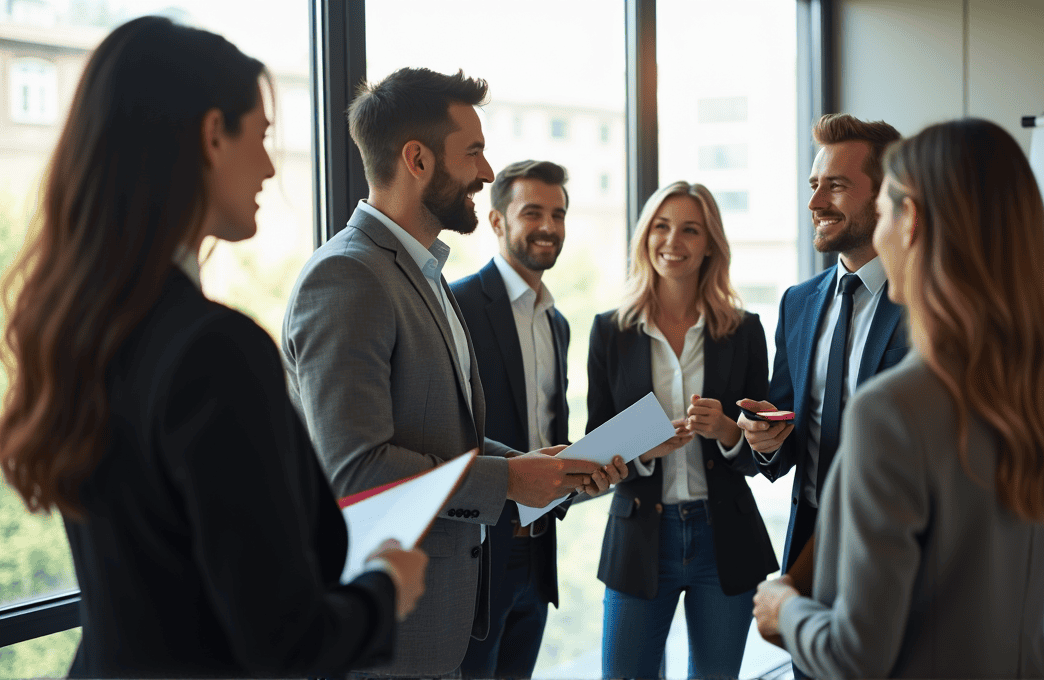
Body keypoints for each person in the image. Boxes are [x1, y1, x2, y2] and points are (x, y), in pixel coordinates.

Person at [0, 16, 426, 678]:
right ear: (211, 135)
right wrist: (385, 587)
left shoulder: (78, 330)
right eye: (259, 136)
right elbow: (287, 644)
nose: (266, 166)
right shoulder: (213, 353)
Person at [282, 69, 613, 677]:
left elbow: (443, 435)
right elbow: (356, 471)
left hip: (442, 623)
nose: (487, 173)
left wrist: (541, 468)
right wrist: (510, 481)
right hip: (387, 637)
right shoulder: (347, 277)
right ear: (417, 159)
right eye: (474, 151)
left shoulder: (425, 276)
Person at [752, 118, 1044, 678]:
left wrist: (783, 609)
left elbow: (856, 656)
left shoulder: (896, 410)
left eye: (884, 212)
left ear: (910, 222)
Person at [587, 181, 779, 680]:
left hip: (725, 539)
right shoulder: (610, 331)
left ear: (710, 242)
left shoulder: (743, 330)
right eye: (662, 226)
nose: (673, 241)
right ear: (645, 236)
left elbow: (765, 451)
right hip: (639, 536)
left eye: (690, 229)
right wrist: (642, 448)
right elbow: (594, 444)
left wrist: (728, 432)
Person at [450, 159, 627, 679]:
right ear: (498, 221)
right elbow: (447, 434)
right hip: (476, 556)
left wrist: (592, 469)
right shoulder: (455, 304)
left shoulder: (558, 322)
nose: (549, 227)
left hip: (539, 552)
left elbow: (547, 437)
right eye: (533, 212)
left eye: (559, 213)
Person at [737, 114, 907, 595]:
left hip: (894, 549)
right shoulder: (798, 302)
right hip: (808, 545)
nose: (814, 203)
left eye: (835, 186)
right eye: (813, 185)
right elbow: (789, 432)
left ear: (885, 194)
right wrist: (766, 439)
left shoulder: (928, 305)